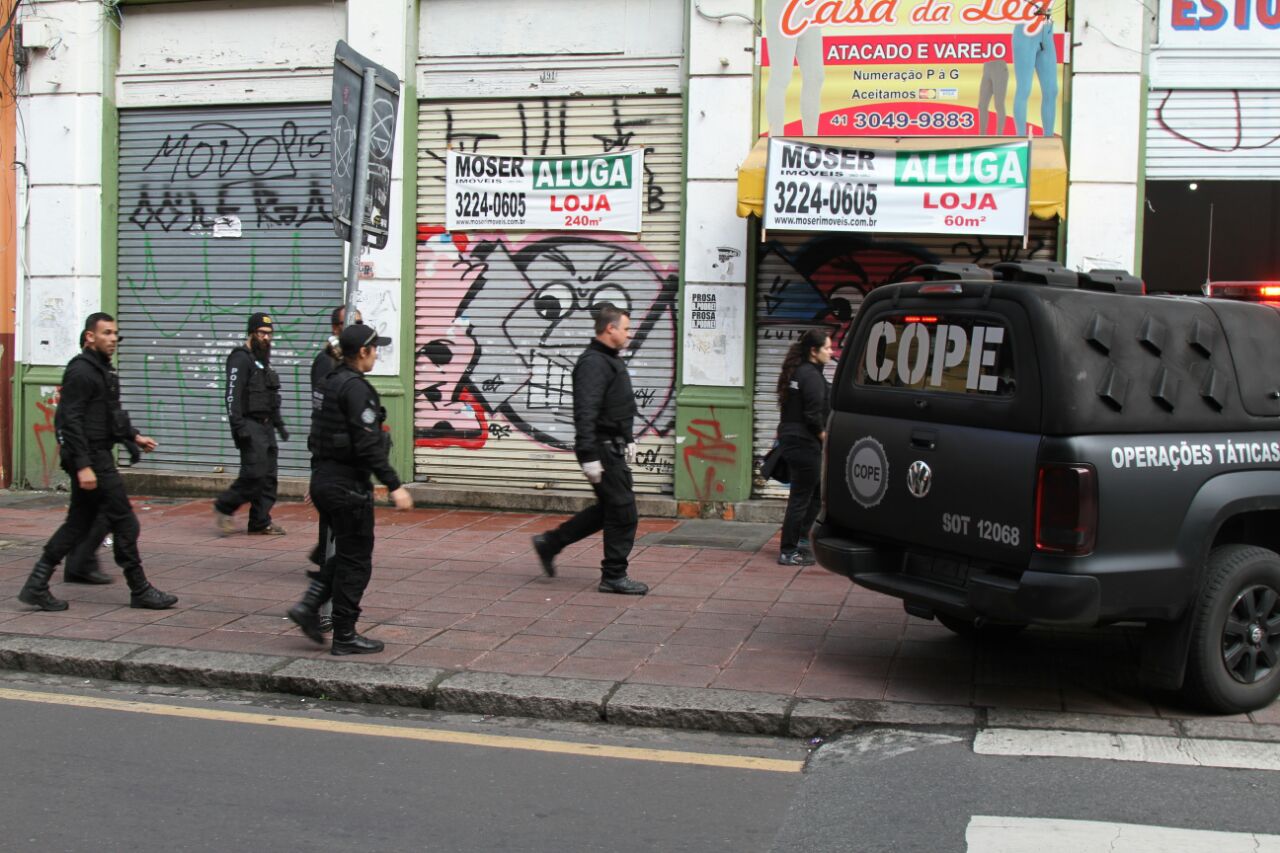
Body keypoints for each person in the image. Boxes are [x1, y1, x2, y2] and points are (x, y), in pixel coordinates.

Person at [18, 313, 177, 611]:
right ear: (90, 337)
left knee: (78, 523)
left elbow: (108, 416)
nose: (113, 338)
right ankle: (140, 588)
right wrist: (83, 466)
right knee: (125, 523)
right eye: (106, 333)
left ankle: (36, 583)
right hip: (92, 459)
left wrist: (134, 436)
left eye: (115, 333)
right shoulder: (81, 371)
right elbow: (69, 421)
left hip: (96, 456)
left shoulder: (102, 371)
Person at [287, 323, 413, 655]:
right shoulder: (356, 389)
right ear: (363, 352)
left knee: (346, 554)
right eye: (375, 349)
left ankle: (309, 606)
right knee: (357, 561)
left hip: (324, 479)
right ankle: (344, 633)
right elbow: (368, 445)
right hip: (347, 486)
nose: (377, 354)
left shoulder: (328, 381)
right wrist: (395, 485)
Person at [531, 303, 648, 595]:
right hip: (602, 449)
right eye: (626, 329)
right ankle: (613, 576)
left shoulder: (609, 359)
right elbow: (586, 411)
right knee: (623, 512)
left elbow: (616, 405)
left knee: (606, 509)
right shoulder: (594, 363)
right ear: (610, 329)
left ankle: (550, 543)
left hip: (612, 446)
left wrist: (628, 436)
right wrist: (589, 456)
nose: (629, 334)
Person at [306, 305, 362, 633]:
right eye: (349, 325)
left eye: (358, 325)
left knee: (341, 537)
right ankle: (320, 609)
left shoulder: (344, 363)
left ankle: (322, 596)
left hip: (343, 463)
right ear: (336, 327)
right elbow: (325, 412)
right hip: (330, 460)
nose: (353, 331)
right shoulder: (325, 362)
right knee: (334, 538)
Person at [214, 311, 288, 535]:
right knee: (253, 474)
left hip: (266, 427)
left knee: (269, 477)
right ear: (251, 333)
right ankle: (225, 506)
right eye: (262, 333)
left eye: (269, 334)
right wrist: (238, 427)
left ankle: (260, 521)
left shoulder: (262, 361)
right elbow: (231, 396)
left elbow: (269, 396)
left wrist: (279, 424)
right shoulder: (240, 358)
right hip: (249, 424)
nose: (266, 338)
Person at [775, 328, 832, 566]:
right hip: (804, 442)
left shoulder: (801, 372)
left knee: (816, 495)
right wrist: (824, 436)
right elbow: (812, 414)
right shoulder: (810, 376)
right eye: (827, 348)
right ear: (814, 351)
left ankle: (800, 540)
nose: (831, 352)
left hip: (793, 439)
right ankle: (788, 550)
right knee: (801, 498)